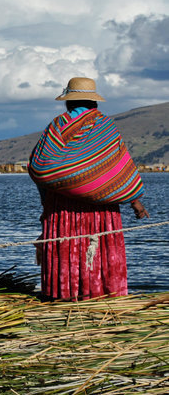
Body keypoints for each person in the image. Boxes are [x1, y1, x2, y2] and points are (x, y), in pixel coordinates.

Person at [28, 77, 149, 301]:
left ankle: (63, 295)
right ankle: (105, 295)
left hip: (63, 208)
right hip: (101, 208)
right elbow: (119, 169)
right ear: (95, 102)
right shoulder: (105, 126)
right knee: (100, 247)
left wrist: (48, 202)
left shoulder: (58, 126)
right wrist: (135, 201)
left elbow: (40, 166)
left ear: (68, 102)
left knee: (67, 247)